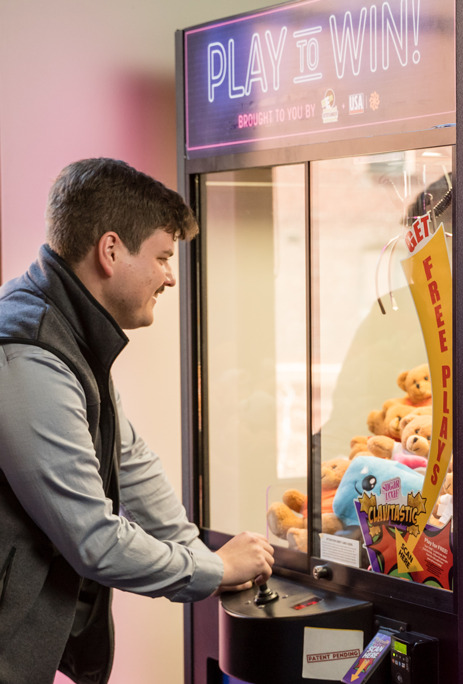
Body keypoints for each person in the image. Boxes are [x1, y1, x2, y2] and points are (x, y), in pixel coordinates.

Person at [0, 158, 274, 683]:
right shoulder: (31, 354)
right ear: (110, 251)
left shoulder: (69, 332)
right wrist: (214, 569)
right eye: (163, 256)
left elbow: (130, 460)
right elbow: (95, 541)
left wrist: (198, 553)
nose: (170, 277)